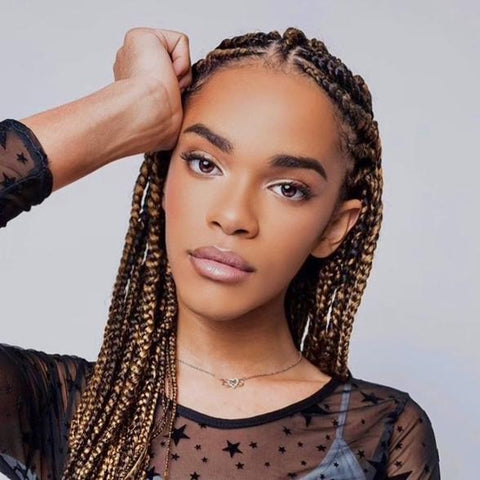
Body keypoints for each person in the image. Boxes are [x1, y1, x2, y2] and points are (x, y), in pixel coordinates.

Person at [0, 26, 441, 480]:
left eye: (287, 188)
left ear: (333, 227)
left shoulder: (382, 434)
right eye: (204, 163)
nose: (233, 216)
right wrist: (129, 106)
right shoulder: (58, 409)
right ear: (164, 179)